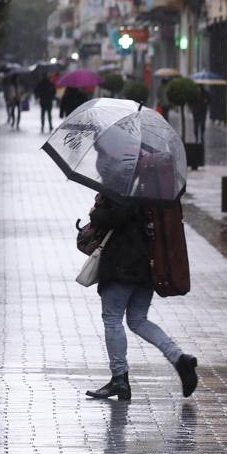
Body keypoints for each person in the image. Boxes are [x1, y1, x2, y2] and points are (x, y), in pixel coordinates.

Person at [84, 149, 198, 401]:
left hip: (122, 264)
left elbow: (114, 217)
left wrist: (96, 212)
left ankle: (120, 379)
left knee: (112, 318)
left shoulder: (122, 184)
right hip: (147, 264)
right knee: (137, 320)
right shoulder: (149, 182)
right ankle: (179, 359)